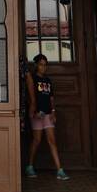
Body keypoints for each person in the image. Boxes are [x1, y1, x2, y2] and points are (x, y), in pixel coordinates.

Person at [24, 53, 69, 181]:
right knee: (37, 140)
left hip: (48, 114)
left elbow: (51, 98)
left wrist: (53, 111)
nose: (43, 67)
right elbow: (30, 97)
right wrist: (35, 111)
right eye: (41, 65)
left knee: (52, 141)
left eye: (45, 65)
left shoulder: (47, 80)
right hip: (37, 114)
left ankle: (60, 170)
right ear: (36, 65)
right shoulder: (32, 79)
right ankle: (30, 166)